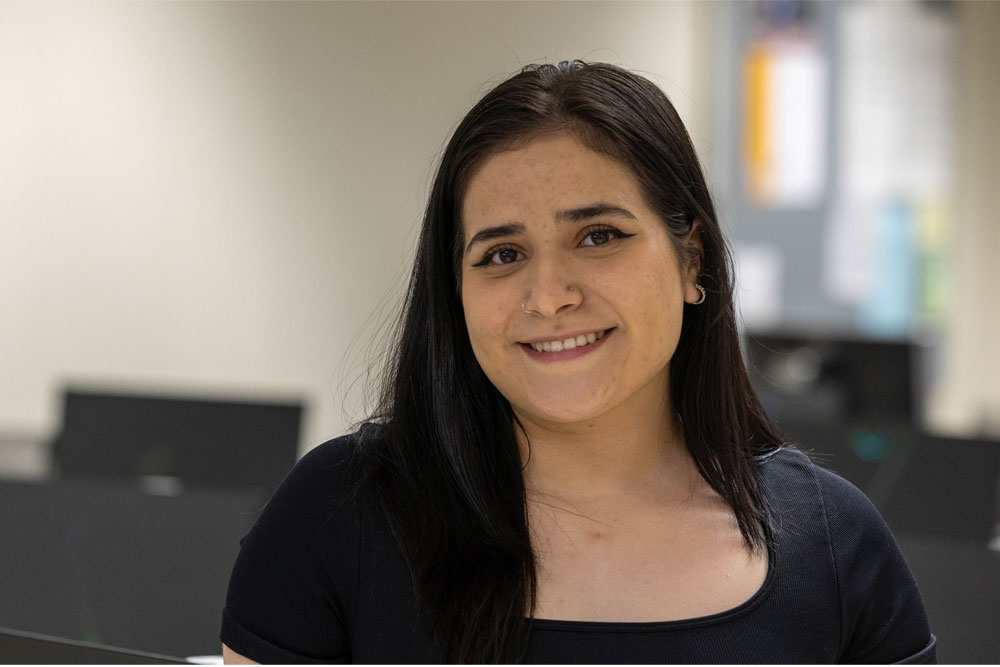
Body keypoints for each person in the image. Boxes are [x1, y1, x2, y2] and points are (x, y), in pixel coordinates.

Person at [220, 61, 936, 664]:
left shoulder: (833, 543)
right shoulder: (340, 512)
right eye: (502, 254)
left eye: (598, 236)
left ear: (692, 260)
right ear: (457, 292)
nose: (550, 296)